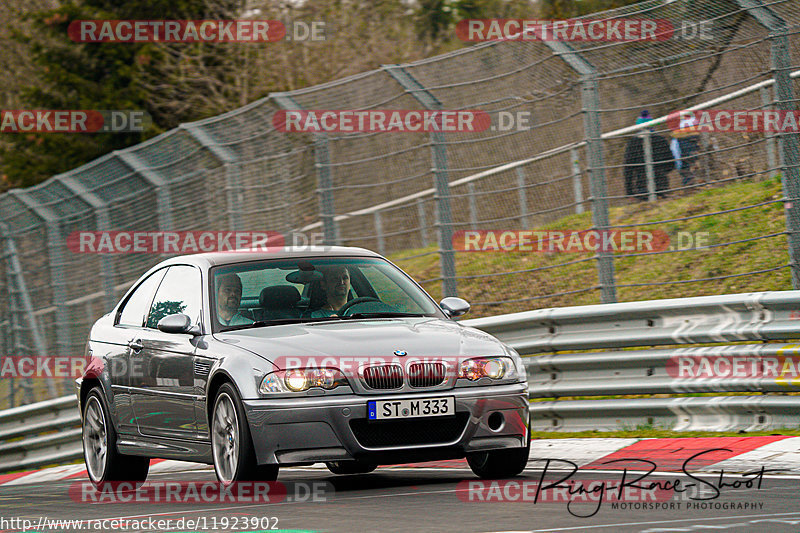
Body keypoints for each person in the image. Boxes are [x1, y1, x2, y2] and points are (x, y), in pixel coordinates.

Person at [624, 111, 674, 200]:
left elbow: (628, 168)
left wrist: (629, 191)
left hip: (642, 184)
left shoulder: (633, 143)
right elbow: (670, 162)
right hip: (661, 183)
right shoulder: (660, 140)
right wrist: (662, 171)